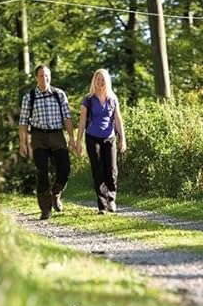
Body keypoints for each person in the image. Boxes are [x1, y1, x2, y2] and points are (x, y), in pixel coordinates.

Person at [19, 64, 75, 220]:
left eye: (47, 75)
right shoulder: (29, 97)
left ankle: (56, 194)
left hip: (57, 135)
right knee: (41, 171)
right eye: (42, 75)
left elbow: (67, 117)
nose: (45, 78)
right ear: (36, 77)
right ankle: (45, 209)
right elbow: (23, 122)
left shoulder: (59, 94)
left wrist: (71, 138)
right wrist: (23, 143)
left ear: (50, 77)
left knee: (64, 169)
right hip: (39, 137)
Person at [76, 68, 126, 214]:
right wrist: (78, 141)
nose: (100, 82)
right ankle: (102, 205)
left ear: (107, 81)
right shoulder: (88, 99)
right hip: (92, 137)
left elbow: (117, 119)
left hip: (109, 137)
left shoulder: (113, 98)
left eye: (103, 79)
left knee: (112, 170)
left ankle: (111, 198)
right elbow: (82, 120)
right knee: (98, 170)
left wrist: (122, 139)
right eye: (98, 79)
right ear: (94, 81)